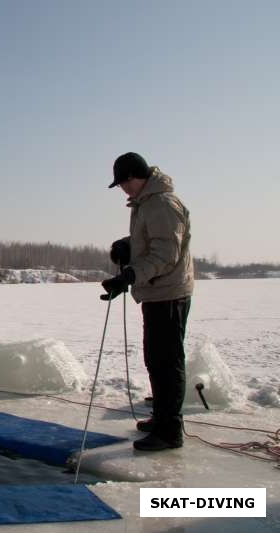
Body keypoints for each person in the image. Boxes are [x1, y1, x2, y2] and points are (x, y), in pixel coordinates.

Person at [102, 152, 194, 452]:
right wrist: (127, 245)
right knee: (156, 358)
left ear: (135, 177)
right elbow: (150, 242)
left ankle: (170, 431)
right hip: (156, 291)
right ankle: (161, 417)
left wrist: (129, 275)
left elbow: (166, 254)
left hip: (169, 292)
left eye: (124, 183)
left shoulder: (161, 204)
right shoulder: (147, 203)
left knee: (167, 361)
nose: (123, 190)